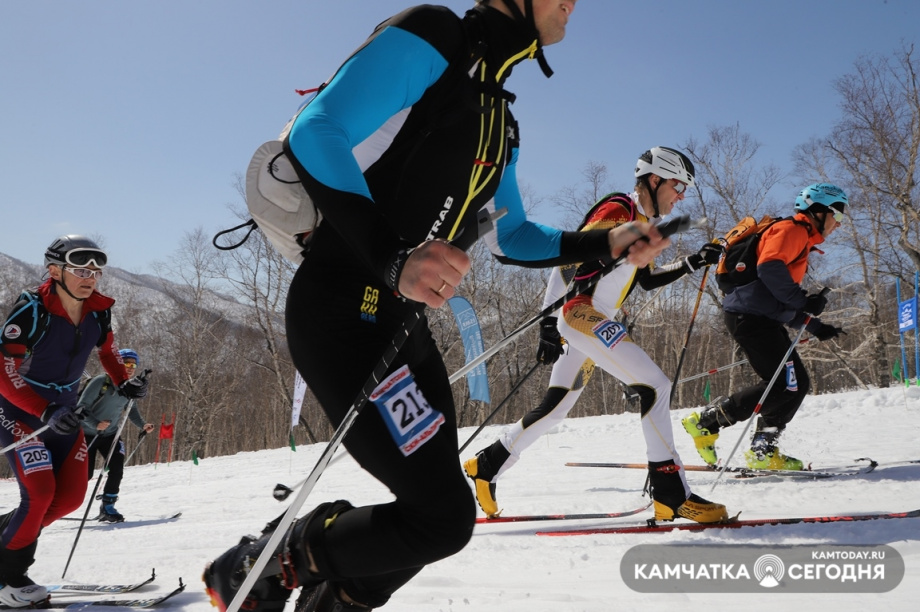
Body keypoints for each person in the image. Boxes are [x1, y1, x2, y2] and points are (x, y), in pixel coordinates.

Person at [204, 2, 675, 611]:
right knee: (443, 519)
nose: (574, 4)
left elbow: (516, 236)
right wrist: (394, 259)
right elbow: (316, 129)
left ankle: (334, 600)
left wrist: (604, 242)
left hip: (401, 326)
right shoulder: (434, 36)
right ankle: (263, 561)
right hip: (340, 311)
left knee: (437, 515)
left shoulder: (498, 118)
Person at [463, 147, 729, 524]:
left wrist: (692, 262)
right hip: (581, 312)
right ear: (654, 180)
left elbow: (647, 280)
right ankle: (671, 494)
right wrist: (548, 323)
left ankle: (485, 465)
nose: (681, 195)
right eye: (677, 185)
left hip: (591, 319)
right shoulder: (619, 209)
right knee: (654, 384)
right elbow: (569, 258)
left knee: (556, 407)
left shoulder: (643, 221)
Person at [0, 235, 148, 607]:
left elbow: (109, 351)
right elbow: (3, 370)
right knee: (38, 494)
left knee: (68, 499)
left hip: (64, 411)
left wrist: (124, 384)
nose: (91, 277)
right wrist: (44, 410)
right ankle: (7, 576)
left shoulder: (98, 311)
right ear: (55, 270)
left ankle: (6, 545)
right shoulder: (32, 308)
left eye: (96, 270)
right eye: (81, 269)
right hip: (20, 410)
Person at [681, 183, 847, 471]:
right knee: (785, 385)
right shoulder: (793, 230)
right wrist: (803, 301)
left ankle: (762, 449)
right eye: (838, 216)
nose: (838, 224)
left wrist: (815, 326)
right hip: (750, 319)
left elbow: (774, 301)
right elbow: (769, 269)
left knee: (794, 386)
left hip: (758, 318)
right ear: (819, 211)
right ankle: (706, 422)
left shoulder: (800, 238)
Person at [79, 348, 155, 523]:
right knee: (85, 474)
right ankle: (52, 503)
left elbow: (131, 409)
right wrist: (95, 423)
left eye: (133, 365)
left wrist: (142, 424)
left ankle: (108, 506)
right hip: (87, 434)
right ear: (117, 364)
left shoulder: (129, 387)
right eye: (126, 363)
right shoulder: (100, 381)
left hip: (110, 435)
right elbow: (81, 407)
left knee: (117, 469)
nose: (130, 368)